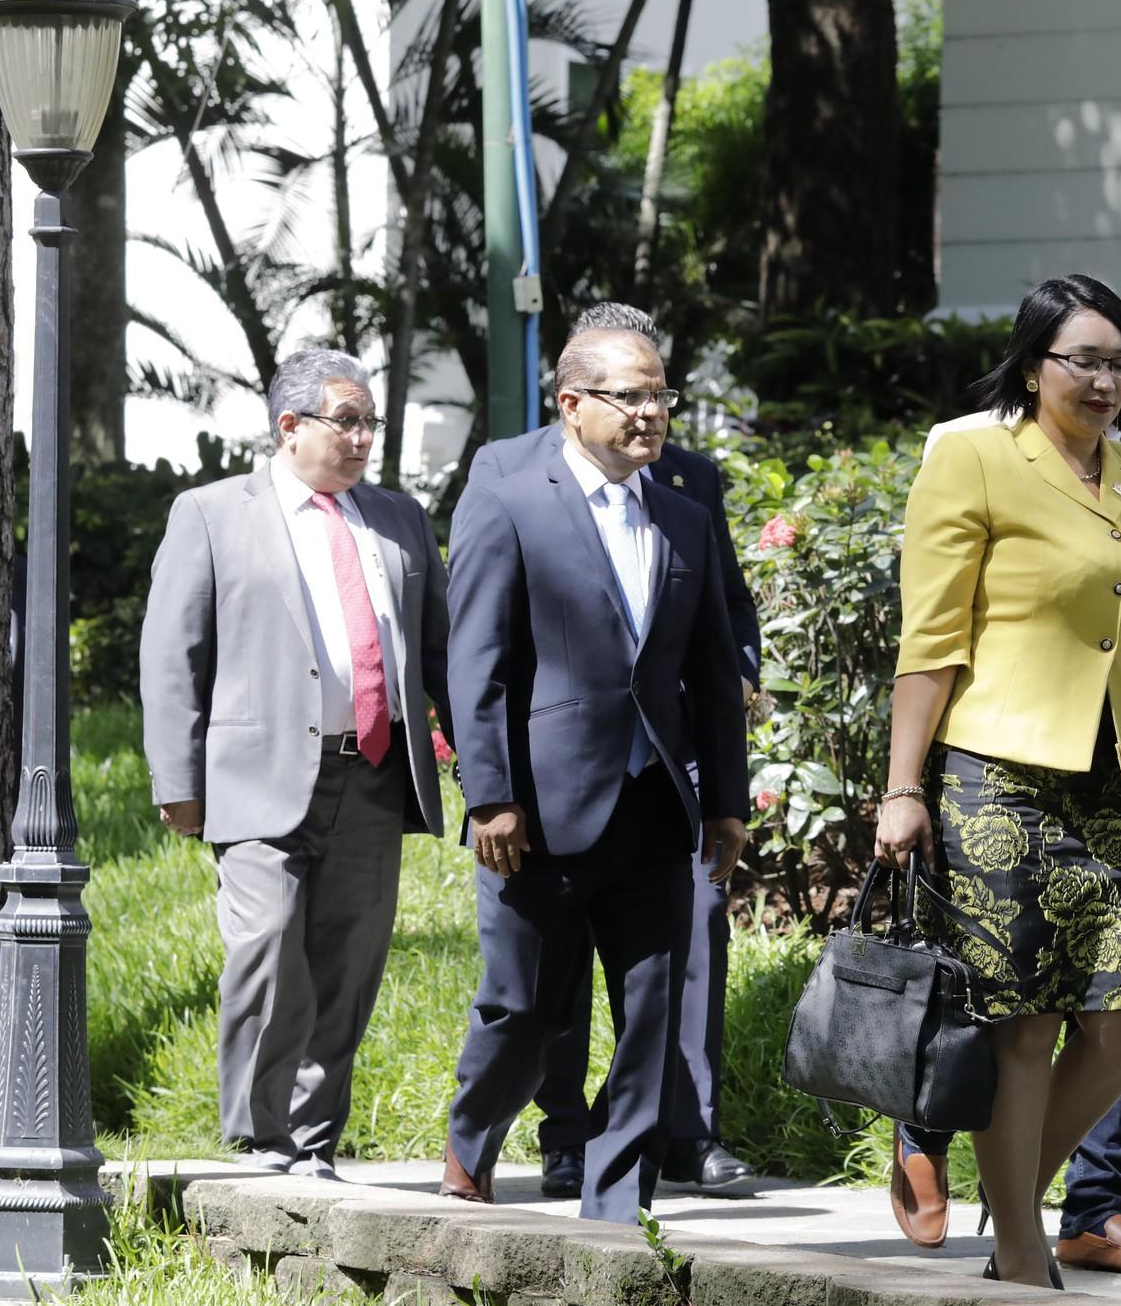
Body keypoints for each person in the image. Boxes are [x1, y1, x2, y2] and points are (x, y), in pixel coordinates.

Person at [875, 273, 1121, 1288]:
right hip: (997, 771)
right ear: (1033, 365)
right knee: (1020, 1023)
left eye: (1120, 362)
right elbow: (929, 637)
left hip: (1120, 773)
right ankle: (1022, 1258)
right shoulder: (973, 458)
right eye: (1083, 360)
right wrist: (903, 788)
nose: (1105, 380)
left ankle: (1009, 1197)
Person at [438, 324, 749, 1223]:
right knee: (524, 1007)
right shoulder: (509, 501)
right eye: (631, 396)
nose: (650, 413)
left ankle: (617, 1206)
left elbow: (711, 670)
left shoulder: (683, 513)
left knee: (651, 1013)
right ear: (571, 405)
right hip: (538, 807)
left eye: (660, 396)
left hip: (656, 804)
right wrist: (490, 795)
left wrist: (725, 802)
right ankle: (472, 1139)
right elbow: (478, 662)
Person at [139, 349, 452, 1179]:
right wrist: (178, 780)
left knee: (349, 959)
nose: (362, 439)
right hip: (256, 772)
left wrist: (482, 767)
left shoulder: (399, 519)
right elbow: (173, 653)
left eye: (369, 423)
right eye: (345, 421)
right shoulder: (210, 513)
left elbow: (440, 653)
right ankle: (258, 1133)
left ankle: (313, 1141)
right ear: (289, 426)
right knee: (268, 943)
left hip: (375, 772)